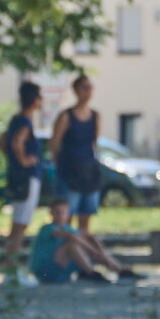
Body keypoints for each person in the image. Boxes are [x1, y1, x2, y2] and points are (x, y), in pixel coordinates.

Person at [29, 198, 134, 284]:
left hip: (62, 267)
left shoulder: (67, 228)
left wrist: (100, 250)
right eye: (57, 213)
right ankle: (90, 273)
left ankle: (120, 270)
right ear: (51, 213)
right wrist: (93, 251)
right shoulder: (47, 228)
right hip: (46, 270)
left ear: (68, 213)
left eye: (63, 213)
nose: (60, 215)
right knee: (71, 244)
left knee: (87, 238)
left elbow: (88, 235)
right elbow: (71, 236)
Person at [49, 74, 105, 236]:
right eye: (84, 88)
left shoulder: (95, 116)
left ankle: (81, 252)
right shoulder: (66, 116)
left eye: (90, 88)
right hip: (69, 172)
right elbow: (54, 143)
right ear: (76, 90)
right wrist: (59, 165)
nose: (87, 92)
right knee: (65, 216)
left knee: (86, 216)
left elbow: (95, 142)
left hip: (88, 171)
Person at [1, 80, 43, 285]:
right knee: (20, 225)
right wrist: (25, 160)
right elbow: (17, 142)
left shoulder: (16, 119)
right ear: (35, 100)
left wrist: (13, 159)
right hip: (27, 178)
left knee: (17, 224)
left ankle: (11, 268)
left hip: (16, 176)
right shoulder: (25, 122)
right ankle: (12, 270)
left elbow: (2, 141)